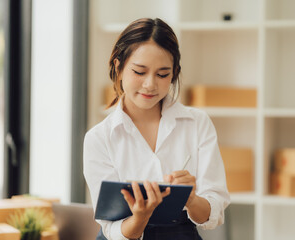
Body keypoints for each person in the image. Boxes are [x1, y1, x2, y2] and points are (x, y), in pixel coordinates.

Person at [83, 18, 230, 240]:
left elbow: (214, 213)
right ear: (119, 67)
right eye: (139, 72)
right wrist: (139, 218)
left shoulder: (197, 123)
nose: (150, 84)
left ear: (174, 74)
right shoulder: (99, 138)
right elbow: (110, 228)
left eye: (162, 74)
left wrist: (190, 199)